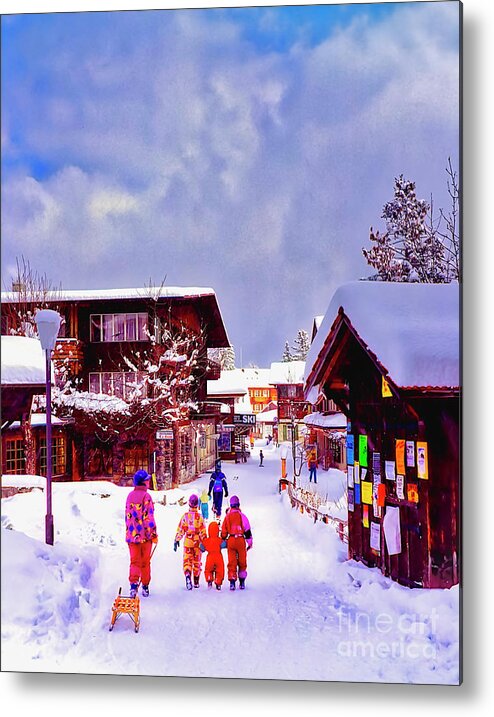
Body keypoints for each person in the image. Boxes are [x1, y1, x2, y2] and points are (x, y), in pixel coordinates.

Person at [125, 469, 158, 598]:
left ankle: (133, 585)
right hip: (145, 538)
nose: (149, 482)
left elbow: (128, 517)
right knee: (145, 562)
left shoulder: (129, 496)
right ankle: (145, 585)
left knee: (134, 561)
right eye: (147, 480)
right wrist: (153, 534)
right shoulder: (146, 497)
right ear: (143, 482)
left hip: (132, 537)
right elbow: (148, 519)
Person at [174, 494, 207, 590]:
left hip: (188, 541)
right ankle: (196, 581)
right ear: (197, 505)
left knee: (187, 560)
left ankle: (188, 576)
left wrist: (177, 539)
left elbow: (181, 529)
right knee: (197, 561)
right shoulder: (200, 517)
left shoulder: (185, 517)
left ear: (189, 504)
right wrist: (205, 542)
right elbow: (203, 531)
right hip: (197, 542)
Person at [221, 495, 253, 590]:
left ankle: (232, 581)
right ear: (238, 505)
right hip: (240, 540)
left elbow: (223, 531)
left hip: (231, 540)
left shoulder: (227, 517)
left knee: (232, 561)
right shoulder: (242, 516)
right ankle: (242, 581)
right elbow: (247, 530)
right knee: (242, 560)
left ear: (230, 506)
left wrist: (223, 538)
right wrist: (250, 542)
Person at [200, 520, 227, 590]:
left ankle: (209, 579)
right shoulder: (219, 540)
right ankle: (218, 582)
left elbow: (202, 547)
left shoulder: (207, 540)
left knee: (208, 569)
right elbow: (224, 545)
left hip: (210, 557)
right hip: (218, 557)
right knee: (220, 570)